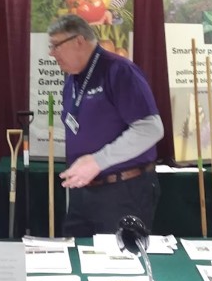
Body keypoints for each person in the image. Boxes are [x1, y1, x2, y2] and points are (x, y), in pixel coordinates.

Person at [48, 14, 164, 236]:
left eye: (55, 46)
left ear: (79, 41)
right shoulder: (72, 78)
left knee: (120, 267)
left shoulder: (119, 71)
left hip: (123, 191)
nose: (51, 53)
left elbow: (151, 128)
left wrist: (98, 161)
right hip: (83, 192)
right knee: (75, 258)